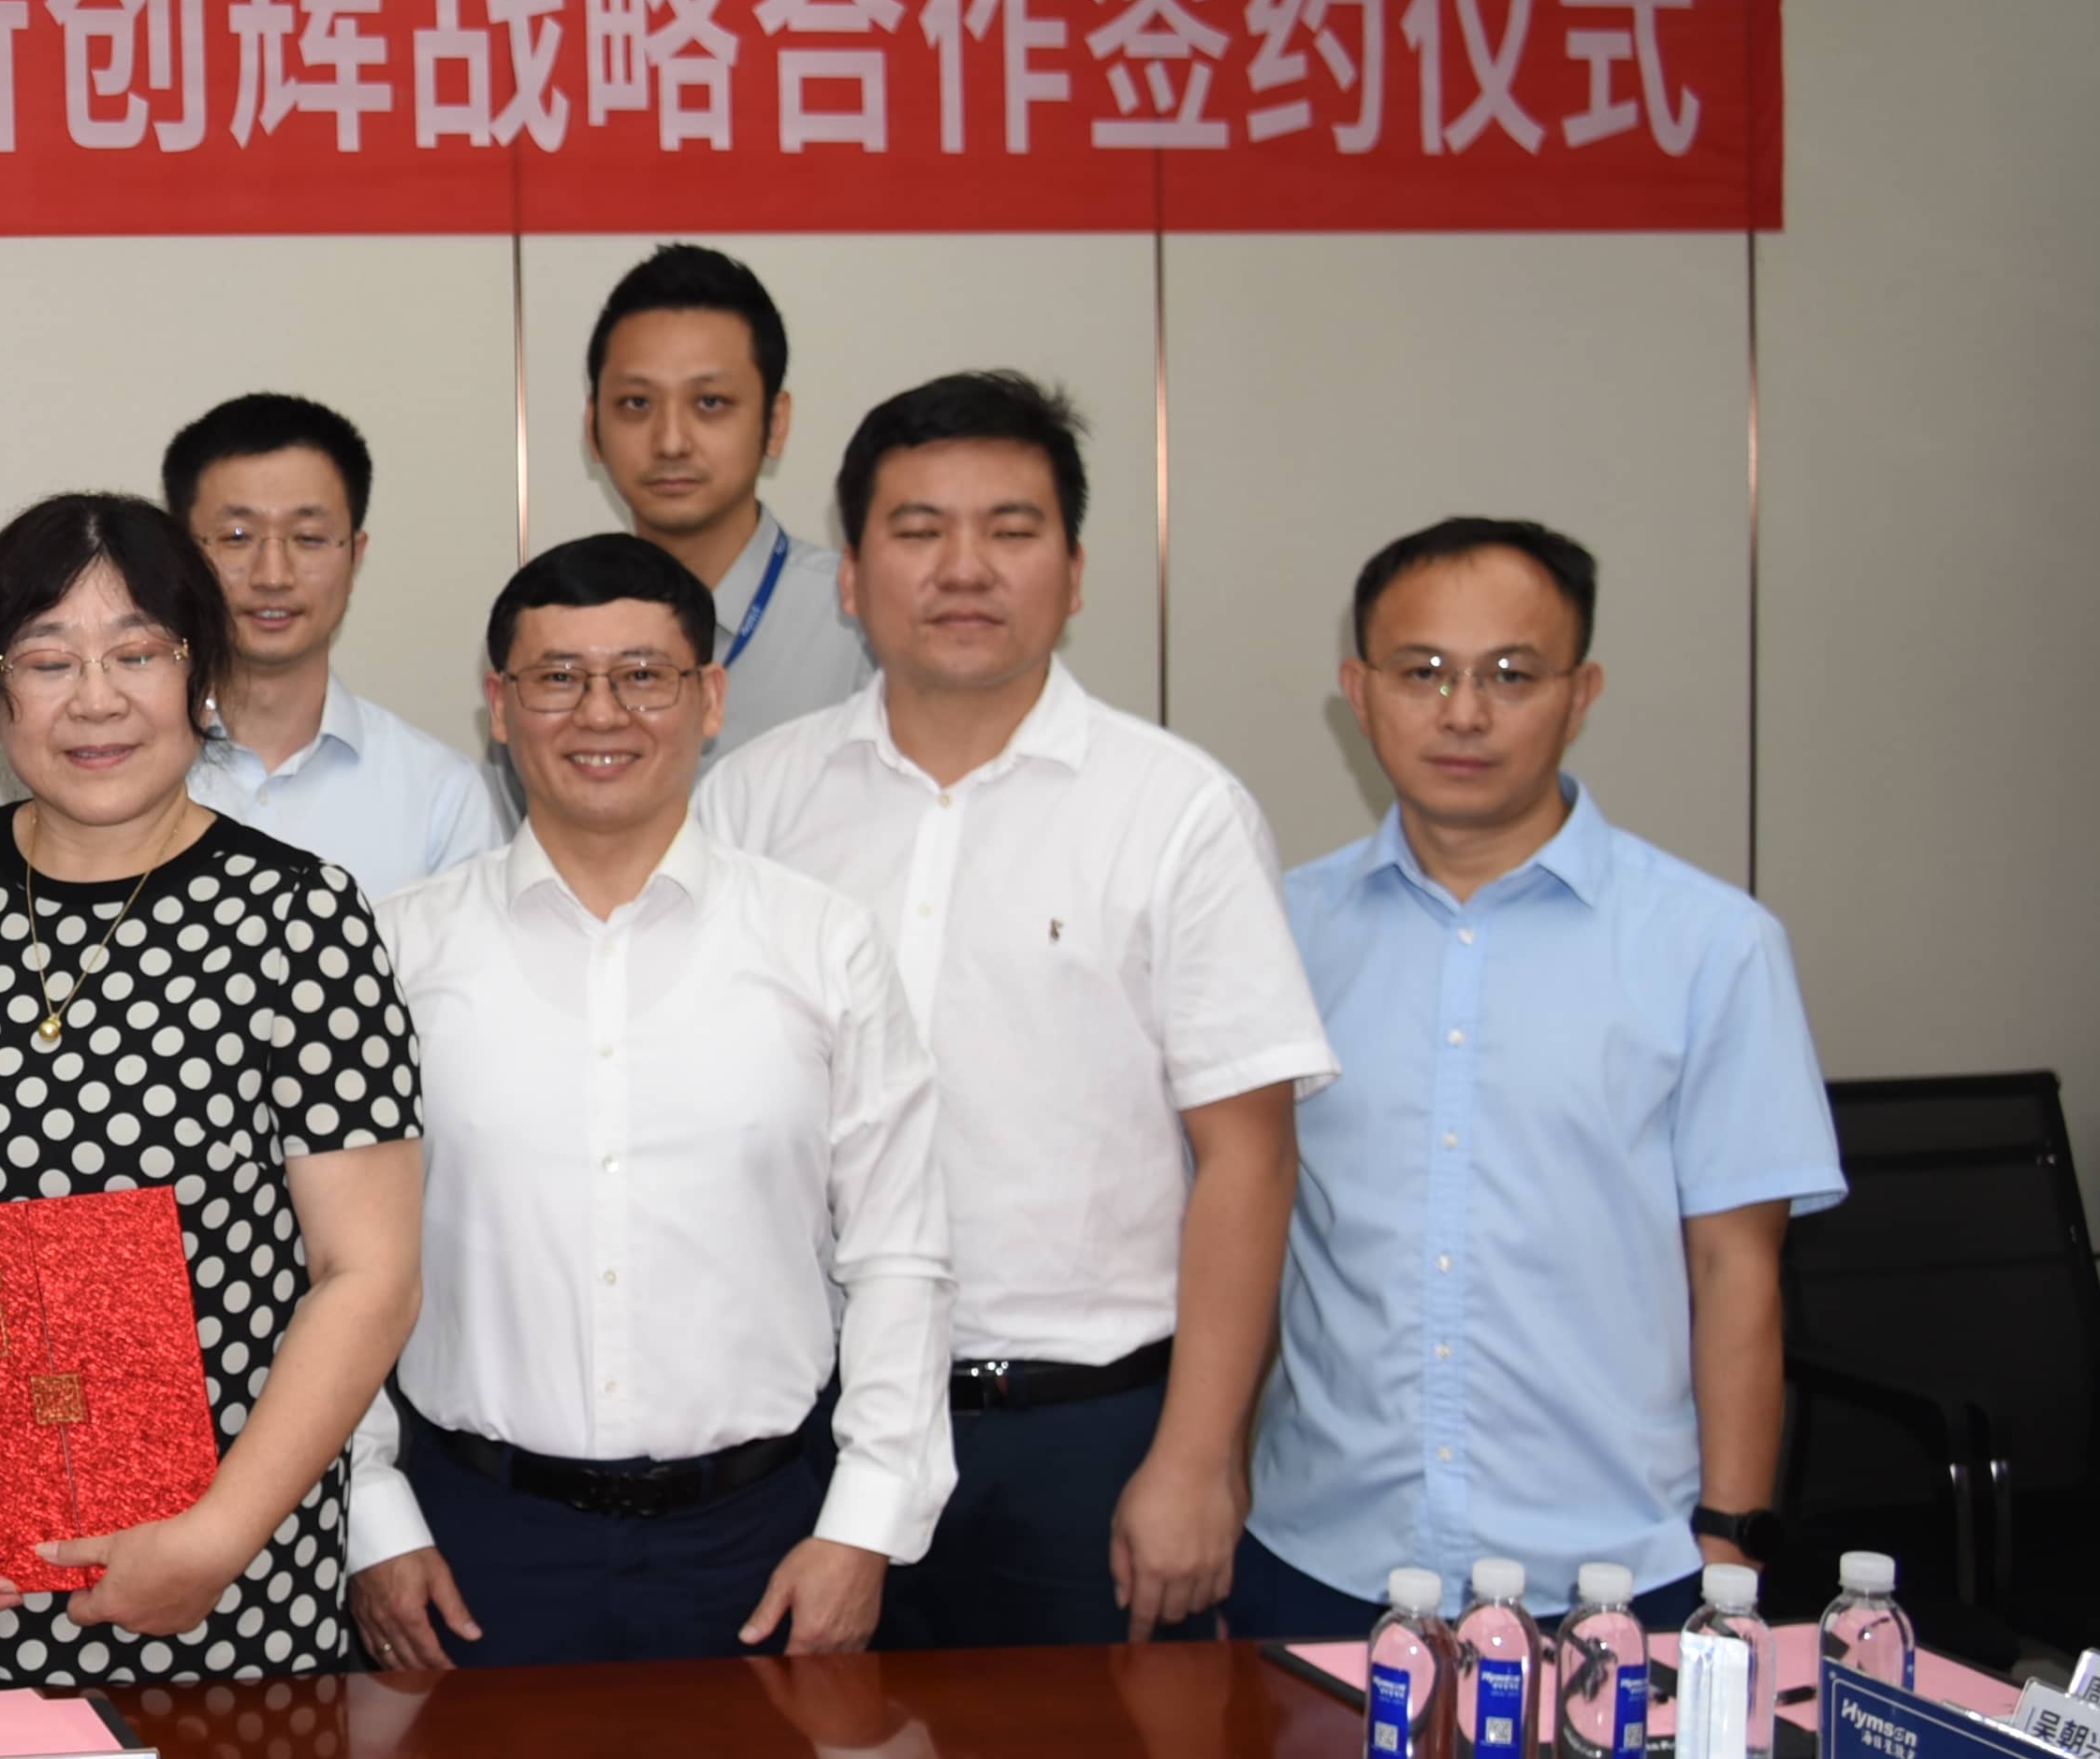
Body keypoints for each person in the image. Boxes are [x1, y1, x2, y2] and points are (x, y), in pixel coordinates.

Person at [706, 375, 1334, 1649]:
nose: (964, 567)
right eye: (918, 529)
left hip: (1087, 1439)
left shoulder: (1176, 811)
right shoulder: (750, 806)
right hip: (808, 1429)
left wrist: (1196, 1458)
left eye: (1011, 528)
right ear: (851, 574)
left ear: (1076, 570)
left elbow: (1250, 1158)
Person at [0, 494, 428, 1691]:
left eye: (137, 653)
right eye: (46, 659)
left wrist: (213, 1539)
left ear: (199, 674)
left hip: (215, 1578)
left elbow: (367, 1273)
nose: (94, 699)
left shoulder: (300, 917)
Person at [344, 534, 951, 1669]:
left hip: (764, 1539)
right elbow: (327, 1264)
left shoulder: (820, 942)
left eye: (642, 675)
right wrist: (370, 1514)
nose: (600, 713)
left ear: (708, 698)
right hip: (471, 1542)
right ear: (498, 705)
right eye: (557, 677)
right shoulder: (394, 950)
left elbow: (899, 1254)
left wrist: (863, 1524)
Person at [1230, 519, 1844, 1641]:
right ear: (1358, 692)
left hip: (1616, 1570)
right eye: (1421, 671)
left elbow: (1737, 1265)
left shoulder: (1711, 945)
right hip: (1320, 1553)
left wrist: (1727, 1542)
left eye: (1511, 674)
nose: (1462, 711)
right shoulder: (1277, 934)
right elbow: (1235, 1227)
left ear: (1580, 693)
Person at [159, 390, 503, 895]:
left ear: (355, 556)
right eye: (236, 536)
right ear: (181, 553)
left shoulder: (439, 793)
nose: (272, 576)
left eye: (309, 538)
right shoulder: (120, 768)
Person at [576, 244, 870, 759]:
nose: (671, 442)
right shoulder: (556, 633)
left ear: (775, 424)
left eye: (710, 402)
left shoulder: (863, 626)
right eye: (636, 403)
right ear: (593, 428)